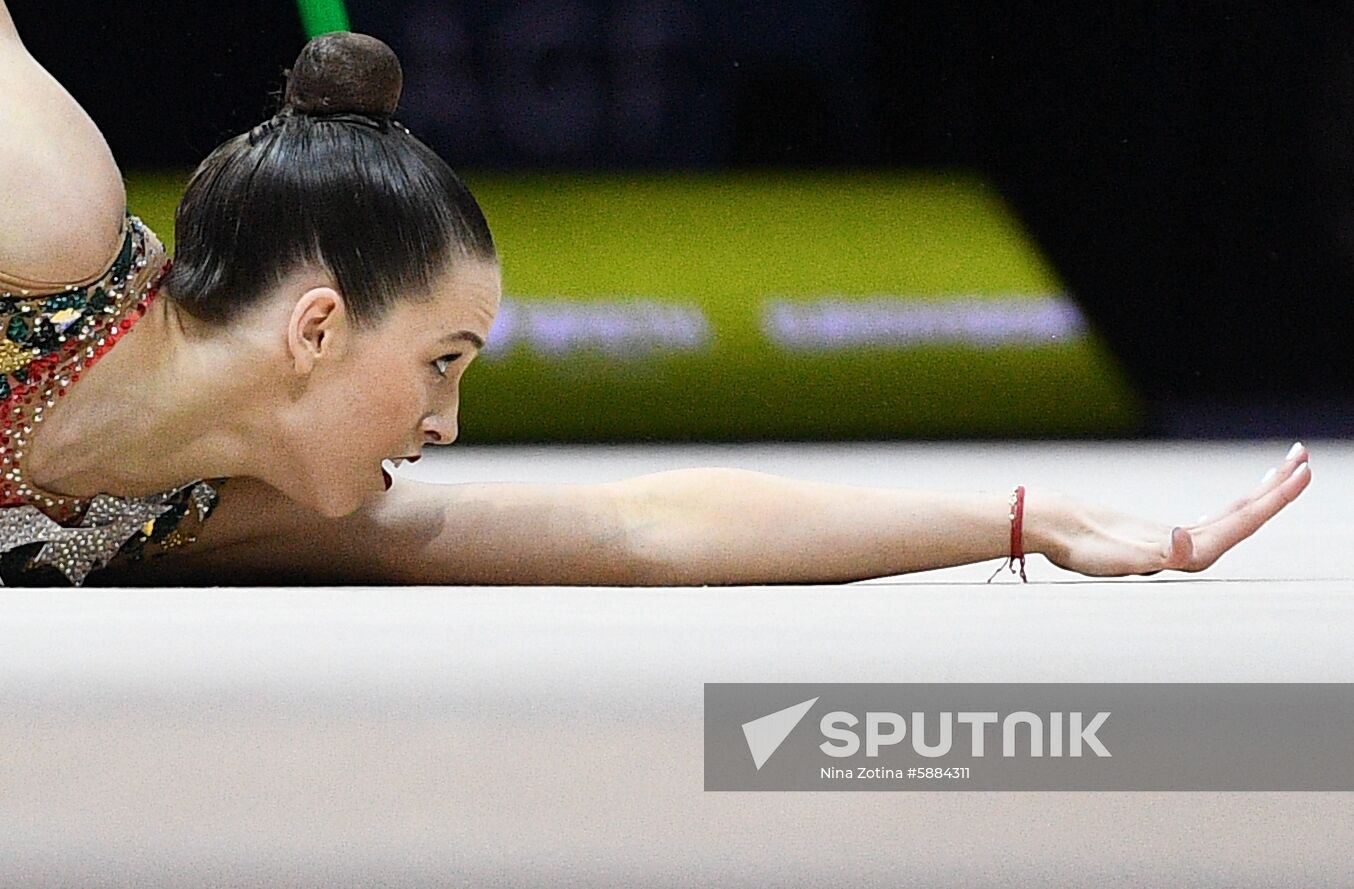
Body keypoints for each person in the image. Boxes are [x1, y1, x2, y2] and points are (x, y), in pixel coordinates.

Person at [0, 13, 1311, 587]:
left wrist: (1026, 517)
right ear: (319, 326)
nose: (445, 426)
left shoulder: (227, 512)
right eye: (443, 361)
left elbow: (640, 530)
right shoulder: (47, 227)